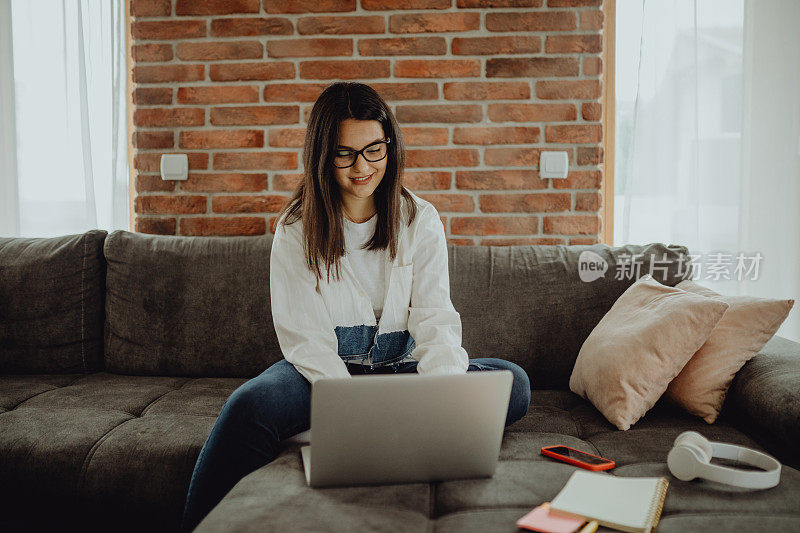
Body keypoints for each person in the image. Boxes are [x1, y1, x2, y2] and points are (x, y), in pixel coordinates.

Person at [179, 82, 531, 532]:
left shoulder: (419, 219)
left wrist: (446, 399)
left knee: (514, 384)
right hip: (322, 376)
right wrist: (350, 415)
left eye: (374, 149)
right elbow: (306, 340)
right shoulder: (294, 229)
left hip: (403, 372)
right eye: (345, 153)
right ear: (323, 155)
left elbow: (435, 320)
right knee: (250, 405)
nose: (362, 166)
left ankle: (392, 421)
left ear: (390, 146)